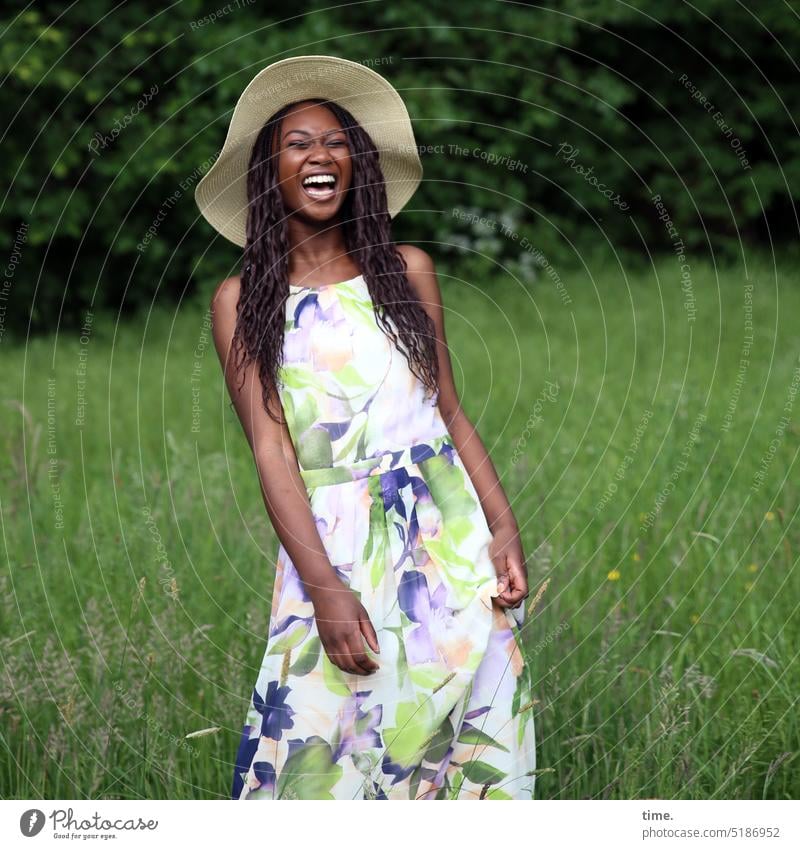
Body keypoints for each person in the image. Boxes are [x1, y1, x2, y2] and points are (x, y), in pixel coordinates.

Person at [196, 55, 537, 800]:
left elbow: (447, 407)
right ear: (268, 174)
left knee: (462, 753)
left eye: (336, 141)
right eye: (296, 143)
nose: (320, 153)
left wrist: (502, 526)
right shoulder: (240, 301)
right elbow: (272, 447)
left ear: (358, 165)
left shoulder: (407, 270)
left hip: (449, 537)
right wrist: (323, 586)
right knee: (319, 748)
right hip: (334, 547)